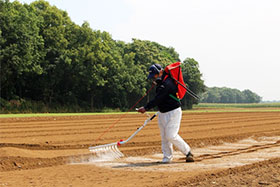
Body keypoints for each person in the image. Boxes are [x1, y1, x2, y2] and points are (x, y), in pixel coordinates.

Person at [137, 64, 194, 163]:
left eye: (154, 75)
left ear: (160, 72)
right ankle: (167, 158)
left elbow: (158, 99)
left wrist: (145, 108)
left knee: (171, 135)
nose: (153, 78)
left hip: (173, 112)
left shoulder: (167, 83)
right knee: (164, 138)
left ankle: (188, 152)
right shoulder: (161, 83)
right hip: (162, 112)